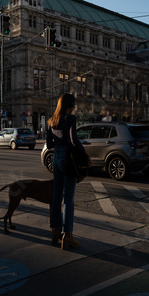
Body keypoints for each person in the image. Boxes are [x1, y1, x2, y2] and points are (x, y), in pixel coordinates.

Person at [47, 93, 91, 250]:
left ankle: (55, 231)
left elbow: (49, 144)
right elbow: (74, 140)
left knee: (56, 196)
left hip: (56, 159)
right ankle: (67, 236)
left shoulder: (52, 120)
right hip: (67, 159)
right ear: (70, 105)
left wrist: (59, 142)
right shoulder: (70, 118)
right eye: (74, 105)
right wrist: (84, 153)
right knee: (69, 199)